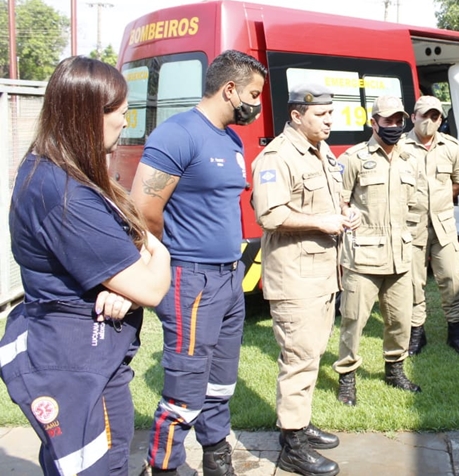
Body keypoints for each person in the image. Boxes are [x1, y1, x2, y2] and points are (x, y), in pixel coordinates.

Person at [0, 56, 171, 476]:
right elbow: (151, 289)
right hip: (79, 366)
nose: (126, 123)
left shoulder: (53, 170)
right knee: (99, 466)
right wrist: (159, 255)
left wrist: (127, 277)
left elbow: (121, 257)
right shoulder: (63, 194)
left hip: (79, 357)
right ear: (89, 115)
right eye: (121, 113)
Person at [131, 50, 268, 476]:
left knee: (221, 380)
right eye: (253, 94)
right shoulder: (177, 135)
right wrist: (171, 256)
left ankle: (216, 452)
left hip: (231, 278)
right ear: (229, 89)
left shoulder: (230, 138)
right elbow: (144, 208)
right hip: (192, 280)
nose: (257, 103)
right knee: (187, 384)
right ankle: (166, 465)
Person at [250, 84, 357, 475]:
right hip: (296, 279)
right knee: (298, 359)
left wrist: (345, 213)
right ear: (296, 116)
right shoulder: (276, 157)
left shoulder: (320, 150)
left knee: (310, 355)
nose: (330, 121)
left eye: (331, 114)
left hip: (321, 275)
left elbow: (327, 200)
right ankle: (292, 447)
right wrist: (322, 222)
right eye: (322, 116)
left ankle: (299, 424)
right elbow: (270, 214)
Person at [332, 95, 421, 406]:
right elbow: (338, 200)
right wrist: (347, 215)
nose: (395, 126)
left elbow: (416, 204)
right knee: (353, 320)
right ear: (373, 123)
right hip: (364, 257)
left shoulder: (411, 159)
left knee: (400, 319)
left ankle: (394, 370)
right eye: (388, 121)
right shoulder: (353, 158)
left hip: (400, 255)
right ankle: (347, 378)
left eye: (399, 121)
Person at [401, 95, 459, 356]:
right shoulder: (400, 147)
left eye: (435, 117)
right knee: (412, 281)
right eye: (424, 116)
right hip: (411, 225)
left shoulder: (451, 147)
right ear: (413, 117)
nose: (429, 121)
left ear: (440, 120)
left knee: (452, 277)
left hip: (443, 224)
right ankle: (416, 331)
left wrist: (441, 196)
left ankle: (456, 330)